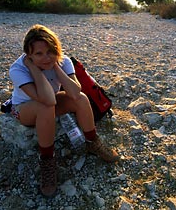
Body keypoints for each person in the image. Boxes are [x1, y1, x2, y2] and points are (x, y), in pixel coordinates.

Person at [9, 24, 119, 197]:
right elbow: (47, 99)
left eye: (50, 52)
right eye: (38, 54)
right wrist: (33, 68)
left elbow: (75, 93)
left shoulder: (63, 60)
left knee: (81, 98)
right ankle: (47, 161)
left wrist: (56, 67)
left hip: (49, 101)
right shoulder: (18, 69)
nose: (46, 58)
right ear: (28, 55)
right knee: (46, 107)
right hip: (24, 108)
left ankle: (93, 142)